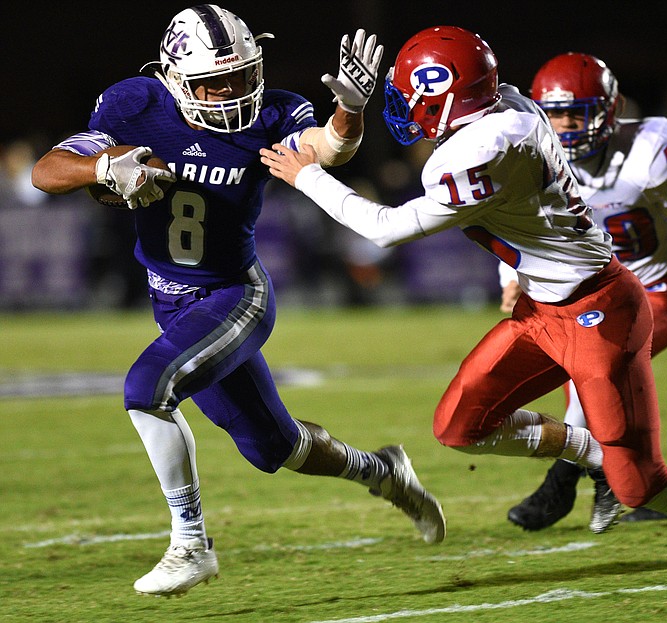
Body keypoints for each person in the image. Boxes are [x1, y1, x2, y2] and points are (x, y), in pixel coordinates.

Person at [262, 25, 667, 609]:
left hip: (600, 312)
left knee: (639, 484)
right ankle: (590, 450)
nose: (407, 109)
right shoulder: (504, 103)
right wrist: (350, 112)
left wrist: (306, 175)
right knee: (460, 426)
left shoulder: (481, 149)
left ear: (446, 97)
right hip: (544, 306)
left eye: (415, 96)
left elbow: (384, 231)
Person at [31, 5, 445, 598]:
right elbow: (48, 171)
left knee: (146, 388)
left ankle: (190, 544)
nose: (229, 92)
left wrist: (350, 111)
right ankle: (384, 471)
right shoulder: (134, 105)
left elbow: (328, 149)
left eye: (239, 75)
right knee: (276, 448)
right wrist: (102, 167)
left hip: (233, 294)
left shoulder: (274, 112)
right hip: (171, 300)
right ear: (175, 77)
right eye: (212, 81)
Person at [501, 53, 667, 533]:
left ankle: (565, 477)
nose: (565, 125)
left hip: (654, 293)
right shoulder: (532, 156)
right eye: (553, 113)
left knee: (594, 368)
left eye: (577, 112)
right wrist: (508, 278)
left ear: (607, 111)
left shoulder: (646, 157)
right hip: (587, 297)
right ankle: (616, 477)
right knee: (592, 383)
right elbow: (514, 224)